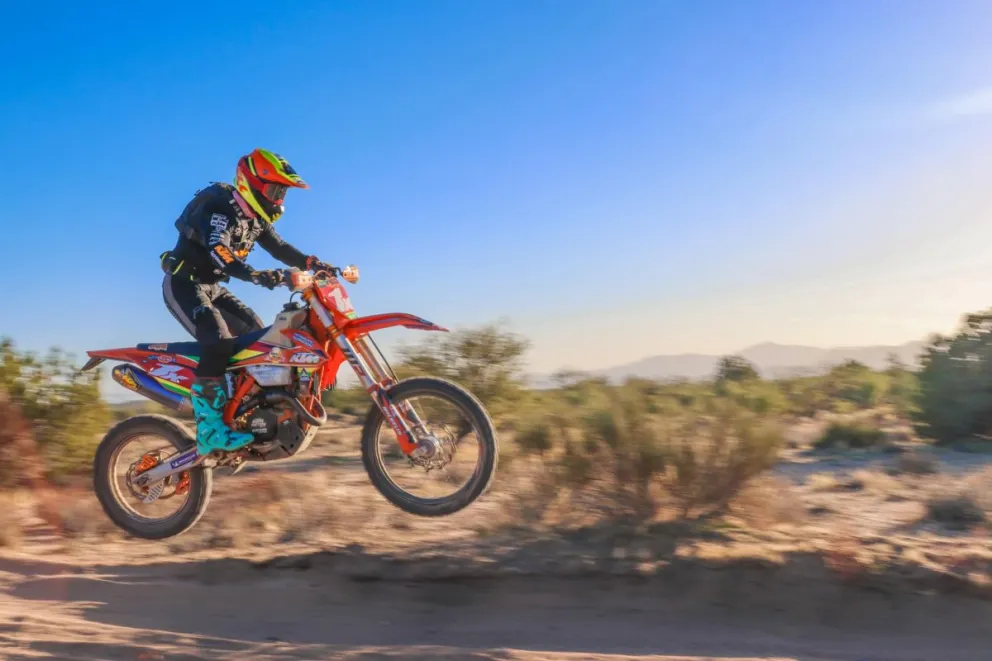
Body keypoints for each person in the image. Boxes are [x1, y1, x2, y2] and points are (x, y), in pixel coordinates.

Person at [159, 148, 336, 455]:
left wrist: (314, 263)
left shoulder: (254, 218)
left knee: (258, 335)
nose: (279, 199)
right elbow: (220, 252)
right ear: (250, 184)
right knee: (218, 341)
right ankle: (211, 428)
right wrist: (258, 275)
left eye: (282, 193)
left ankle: (246, 413)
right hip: (184, 285)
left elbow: (280, 248)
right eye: (274, 190)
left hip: (212, 287)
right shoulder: (219, 208)